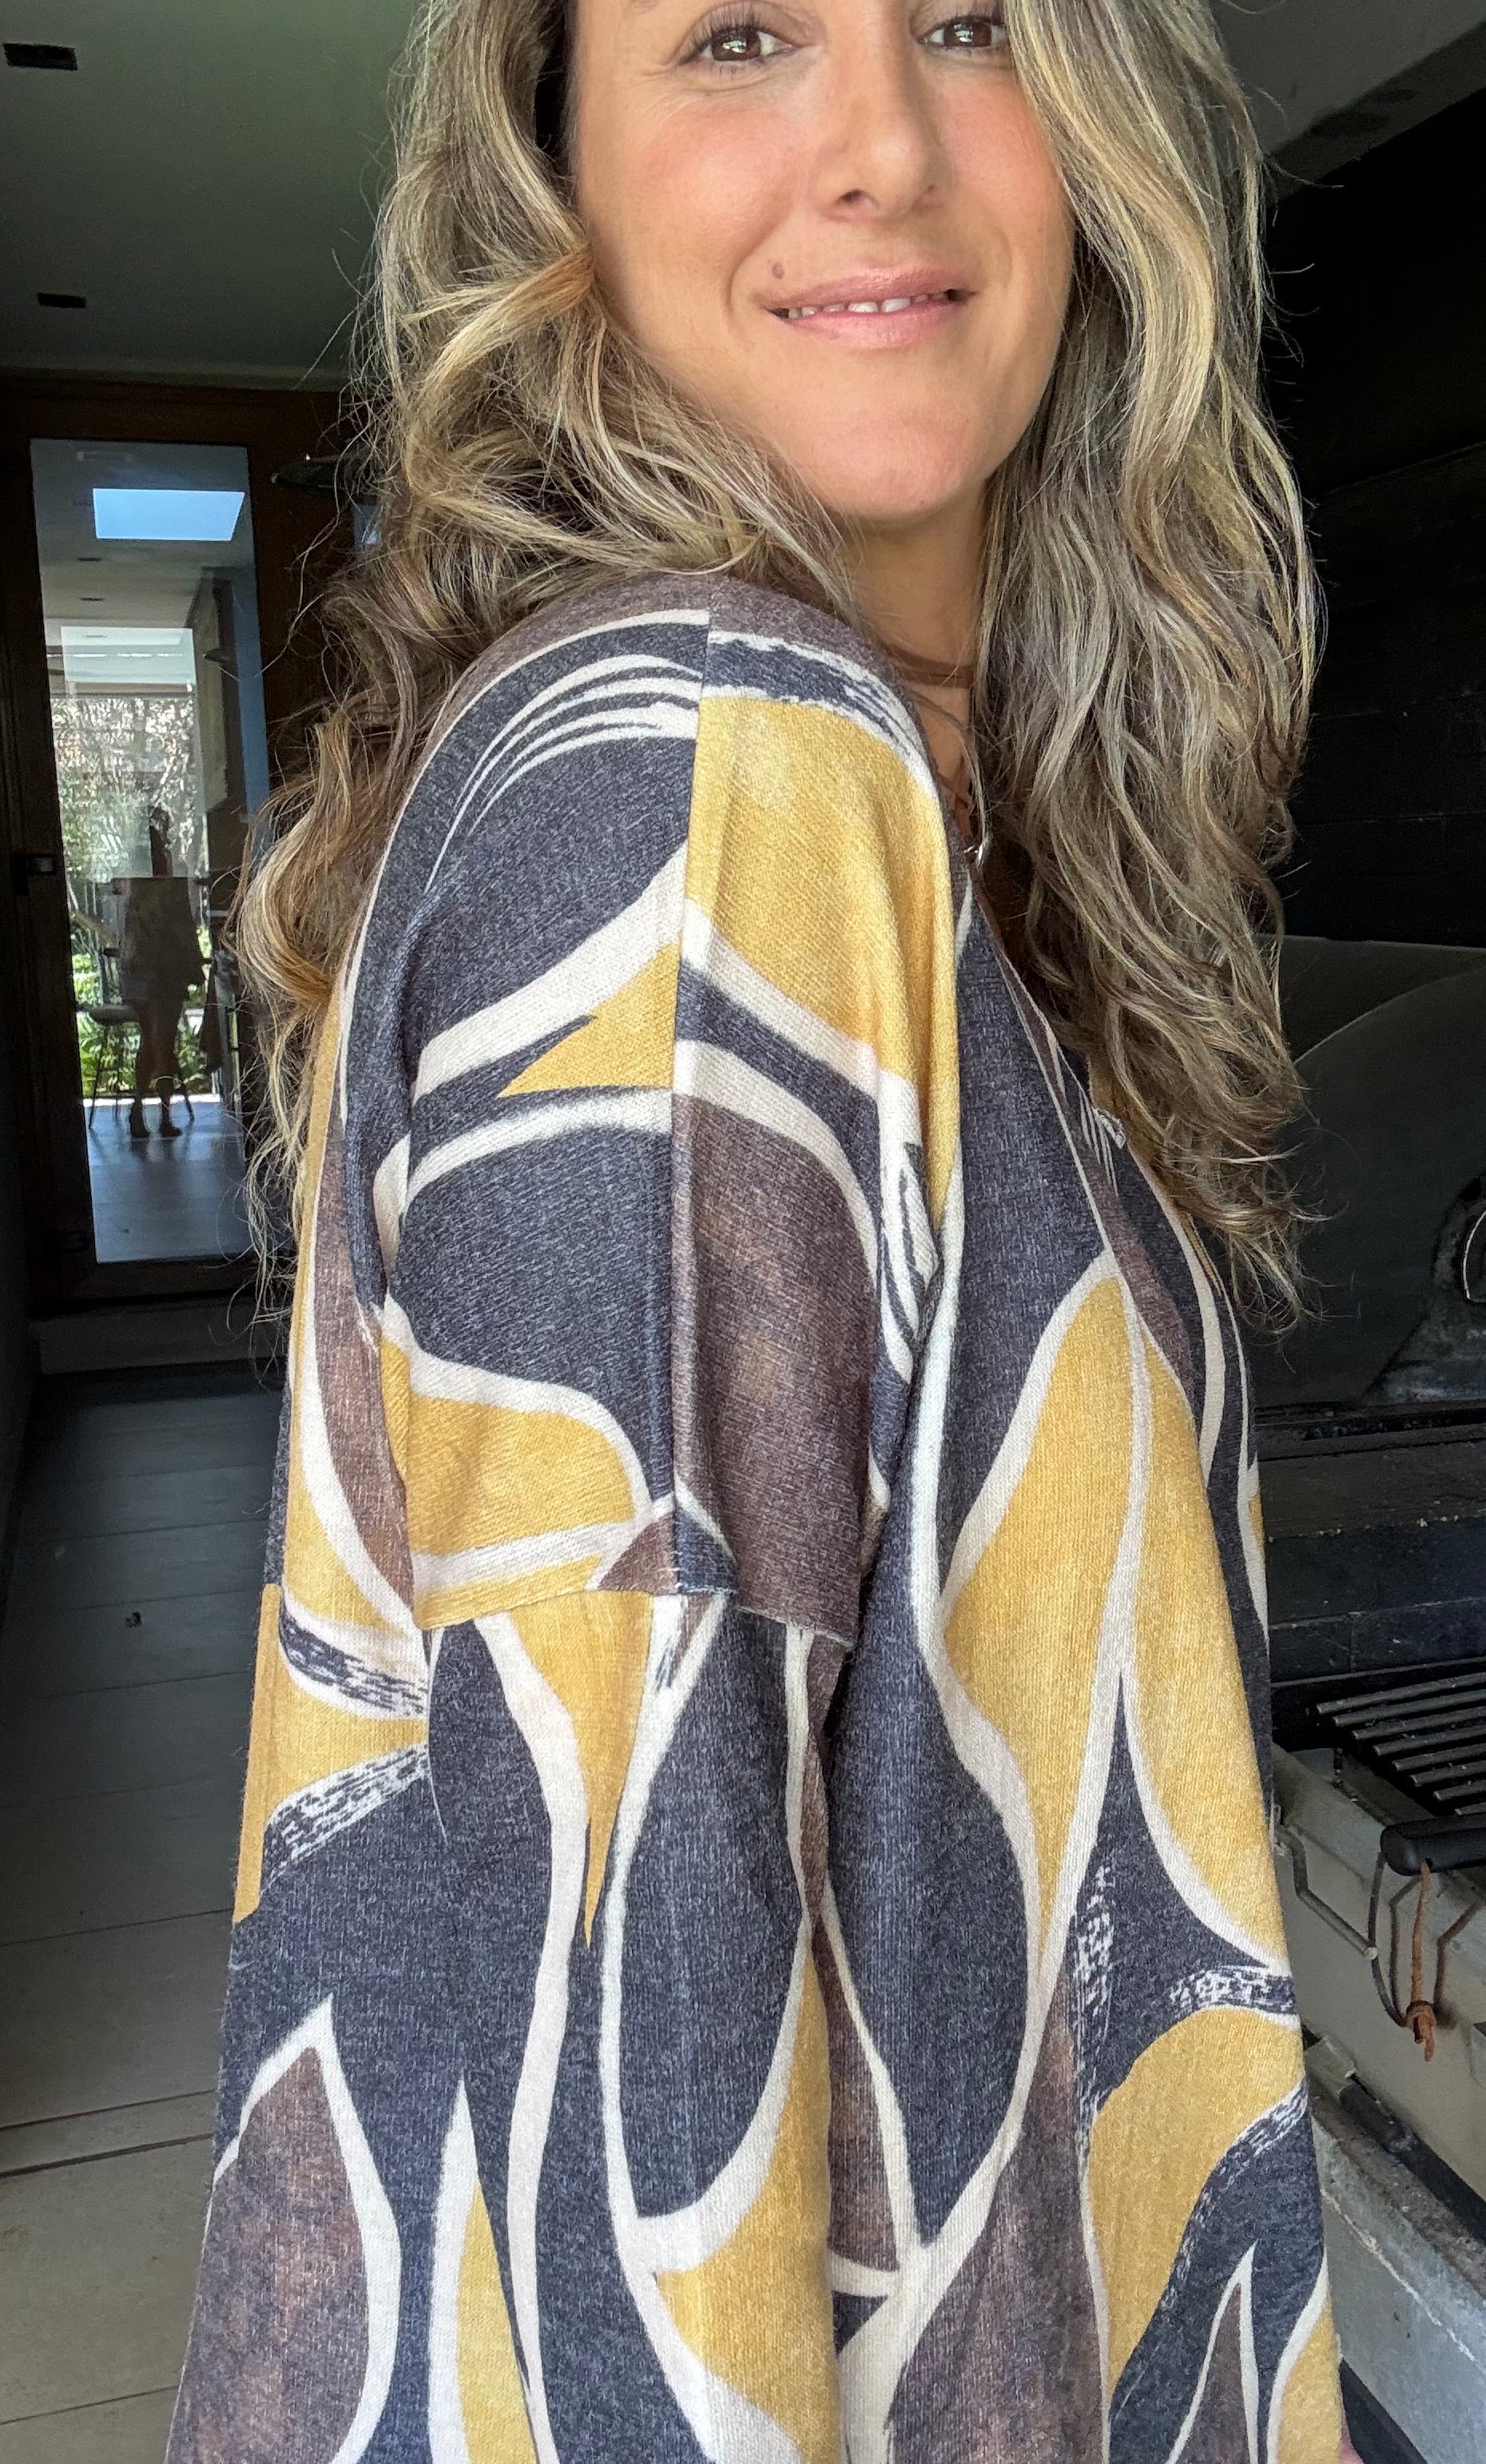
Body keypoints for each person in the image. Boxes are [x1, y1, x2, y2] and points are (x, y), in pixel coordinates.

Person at [167, 3, 1351, 2458]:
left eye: (967, 20)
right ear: (551, 174)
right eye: (734, 36)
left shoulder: (904, 797)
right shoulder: (717, 770)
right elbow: (636, 2172)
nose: (880, 143)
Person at [117, 807, 205, 1138]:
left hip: (138, 972)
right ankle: (162, 1116)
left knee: (151, 1043)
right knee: (163, 1043)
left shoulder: (133, 883)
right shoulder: (168, 882)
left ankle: (140, 1109)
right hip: (163, 972)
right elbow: (183, 927)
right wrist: (193, 967)